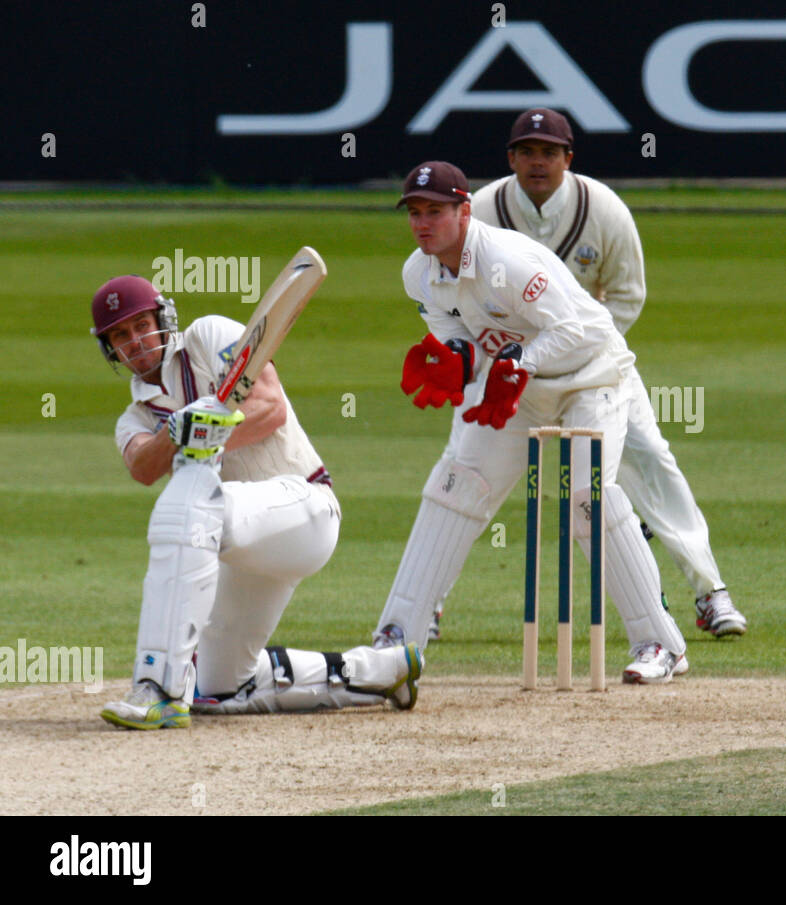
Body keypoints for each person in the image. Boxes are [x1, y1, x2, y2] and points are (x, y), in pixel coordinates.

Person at [434, 107, 744, 644]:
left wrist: (565, 350)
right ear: (511, 159)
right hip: (505, 371)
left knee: (651, 460)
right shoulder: (479, 210)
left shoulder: (604, 210)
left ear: (567, 159)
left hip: (595, 368)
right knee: (463, 466)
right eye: (527, 152)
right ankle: (429, 605)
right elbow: (452, 293)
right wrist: (490, 356)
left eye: (549, 153)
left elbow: (628, 296)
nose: (538, 163)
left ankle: (710, 591)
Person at [375, 160, 688, 683]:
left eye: (435, 211)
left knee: (586, 496)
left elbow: (579, 330)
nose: (422, 223)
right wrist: (459, 362)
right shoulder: (419, 273)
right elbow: (464, 338)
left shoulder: (507, 260)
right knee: (456, 485)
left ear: (464, 211)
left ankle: (659, 642)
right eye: (414, 212)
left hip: (591, 376)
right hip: (516, 387)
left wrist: (519, 364)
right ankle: (396, 637)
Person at [92, 274, 422, 729]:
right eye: (121, 336)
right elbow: (143, 467)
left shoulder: (208, 336)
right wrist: (179, 430)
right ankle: (385, 670)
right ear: (111, 350)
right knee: (222, 686)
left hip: (305, 508)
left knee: (190, 501)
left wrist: (209, 436)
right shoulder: (135, 418)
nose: (136, 341)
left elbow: (270, 407)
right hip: (244, 546)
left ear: (163, 319)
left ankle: (159, 688)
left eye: (141, 325)